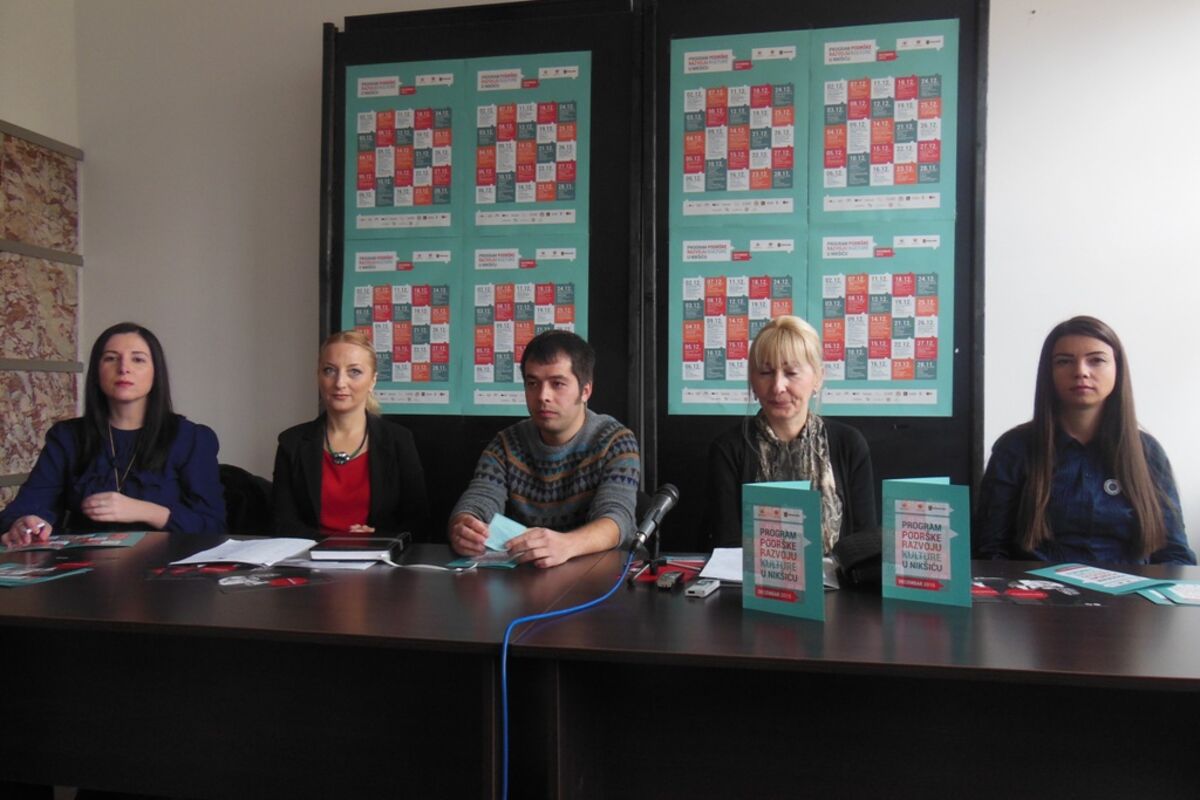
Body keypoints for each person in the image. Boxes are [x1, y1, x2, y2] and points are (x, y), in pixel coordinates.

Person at [975, 316, 1195, 565]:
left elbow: (1174, 555)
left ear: (1118, 369)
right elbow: (989, 551)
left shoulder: (1147, 453)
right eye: (1064, 361)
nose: (1080, 371)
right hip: (1035, 589)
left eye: (1096, 360)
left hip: (1129, 589)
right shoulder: (1015, 448)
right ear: (1049, 372)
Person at [1, 322, 225, 546]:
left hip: (168, 562)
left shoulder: (191, 439)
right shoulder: (67, 437)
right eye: (110, 358)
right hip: (84, 562)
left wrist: (144, 511)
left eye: (137, 359)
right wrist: (26, 523)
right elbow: (30, 504)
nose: (123, 368)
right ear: (97, 372)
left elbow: (212, 525)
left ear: (156, 372)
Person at [448, 330, 640, 568]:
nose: (542, 396)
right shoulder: (506, 444)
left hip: (600, 575)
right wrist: (465, 526)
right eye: (532, 383)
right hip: (526, 577)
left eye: (557, 384)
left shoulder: (615, 441)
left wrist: (567, 544)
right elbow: (479, 500)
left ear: (585, 390)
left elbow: (617, 518)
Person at [703, 315, 876, 551]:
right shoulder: (729, 449)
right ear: (752, 380)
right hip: (751, 576)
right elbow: (728, 546)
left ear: (818, 378)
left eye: (791, 373)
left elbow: (865, 544)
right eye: (765, 373)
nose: (777, 386)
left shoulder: (848, 445)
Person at [272, 330, 429, 539]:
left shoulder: (399, 440)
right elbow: (283, 524)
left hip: (378, 556)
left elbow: (419, 523)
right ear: (318, 376)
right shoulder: (291, 443)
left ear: (373, 380)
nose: (339, 383)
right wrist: (332, 544)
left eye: (354, 371)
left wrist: (378, 537)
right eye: (329, 370)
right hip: (310, 555)